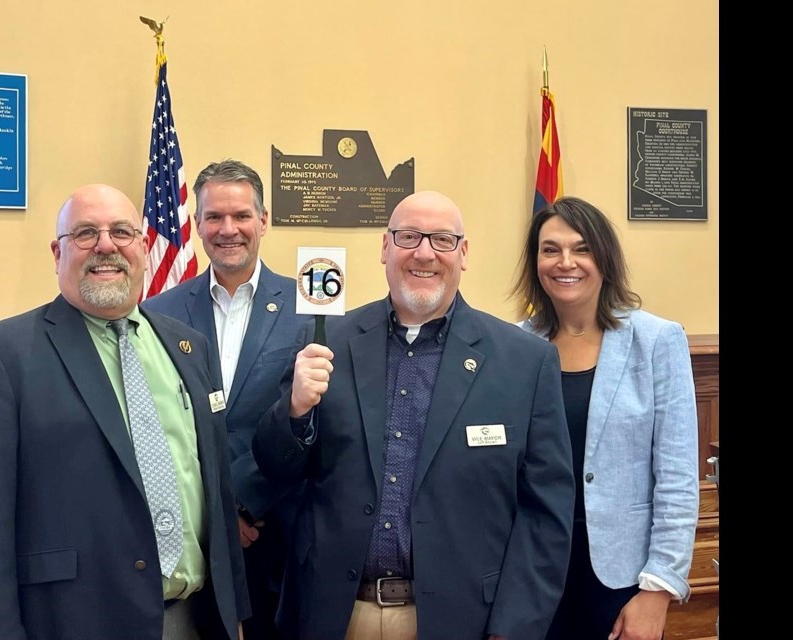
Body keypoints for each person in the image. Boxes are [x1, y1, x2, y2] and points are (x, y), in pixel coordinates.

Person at [252, 190, 575, 640]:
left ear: (463, 254)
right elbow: (276, 466)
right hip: (335, 615)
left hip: (462, 621)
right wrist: (294, 411)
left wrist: (514, 627)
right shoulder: (327, 341)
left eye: (442, 239)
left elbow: (546, 511)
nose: (424, 252)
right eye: (408, 237)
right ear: (385, 248)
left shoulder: (524, 361)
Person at [0, 184, 250, 640]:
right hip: (75, 621)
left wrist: (234, 611)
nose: (106, 245)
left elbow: (216, 494)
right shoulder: (1, 356)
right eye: (85, 233)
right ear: (57, 252)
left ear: (143, 247)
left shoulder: (189, 347)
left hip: (194, 620)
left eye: (122, 232)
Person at [512, 196, 699, 640]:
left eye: (582, 249)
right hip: (533, 573)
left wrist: (658, 590)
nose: (565, 262)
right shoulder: (516, 345)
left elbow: (677, 477)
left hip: (623, 580)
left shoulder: (657, 341)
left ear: (605, 258)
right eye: (550, 249)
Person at [143, 159, 306, 639]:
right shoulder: (157, 312)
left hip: (277, 534)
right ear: (196, 225)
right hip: (192, 535)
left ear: (264, 221)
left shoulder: (309, 311)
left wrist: (243, 505)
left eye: (241, 216)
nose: (228, 229)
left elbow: (314, 421)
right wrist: (215, 513)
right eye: (214, 217)